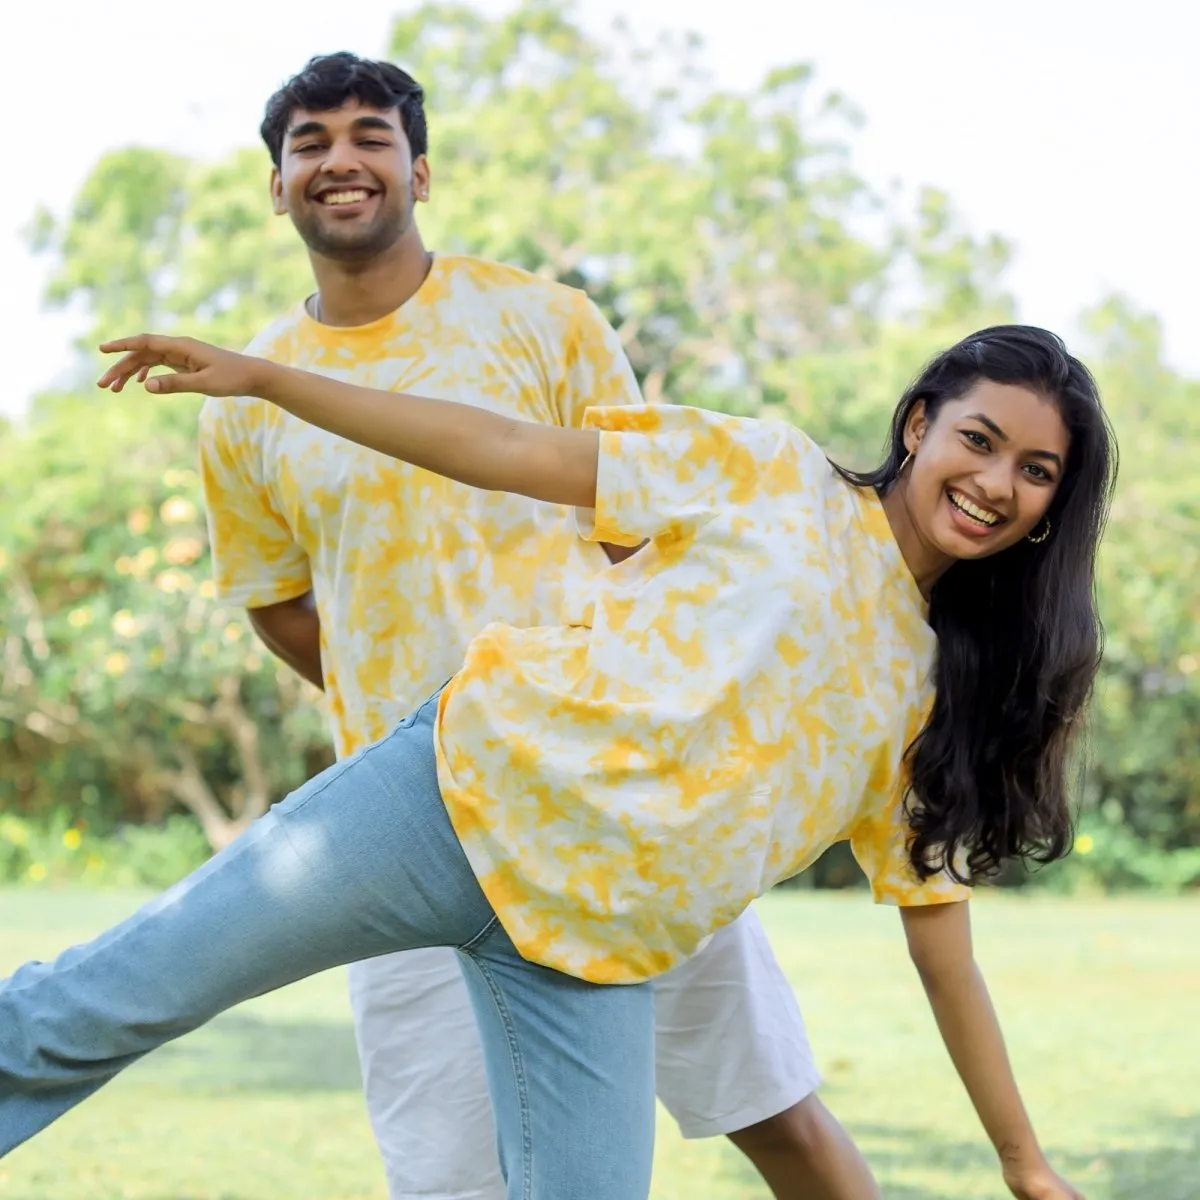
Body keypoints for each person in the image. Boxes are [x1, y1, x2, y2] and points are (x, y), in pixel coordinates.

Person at [1, 321, 1114, 1200]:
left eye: (1036, 470)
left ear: (1052, 509)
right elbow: (513, 450)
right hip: (439, 806)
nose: (997, 482)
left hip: (593, 961)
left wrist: (1019, 1160)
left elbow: (945, 955)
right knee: (103, 1002)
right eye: (980, 439)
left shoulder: (941, 699)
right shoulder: (771, 474)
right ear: (919, 424)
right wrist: (271, 379)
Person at [193, 52, 874, 1200]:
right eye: (309, 143)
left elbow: (643, 543)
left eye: (369, 134)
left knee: (774, 1114)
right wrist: (419, 721)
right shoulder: (248, 400)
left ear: (421, 168)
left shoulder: (542, 322)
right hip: (406, 829)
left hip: (613, 793)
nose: (340, 159)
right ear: (276, 186)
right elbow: (280, 605)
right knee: (450, 1180)